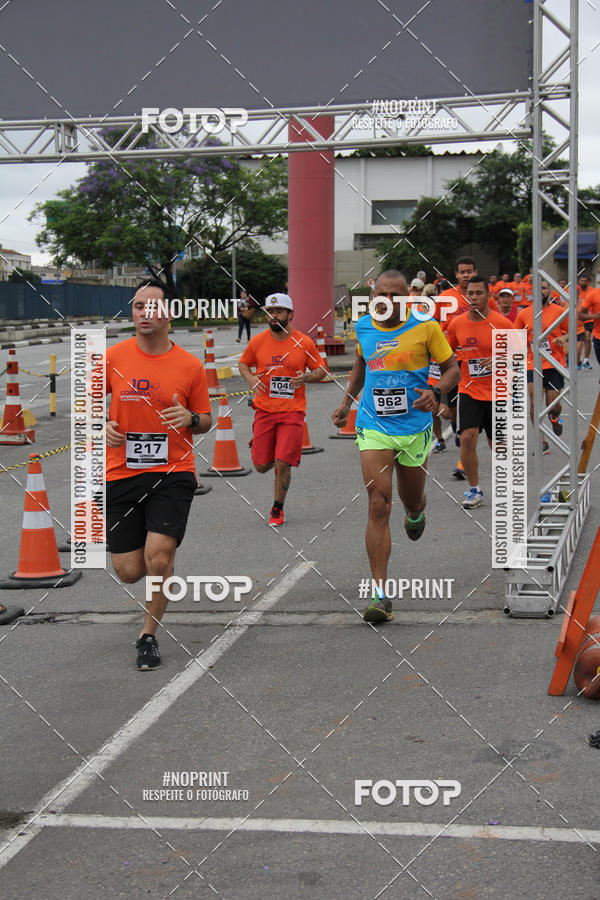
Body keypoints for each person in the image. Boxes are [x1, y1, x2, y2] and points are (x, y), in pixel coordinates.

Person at [331, 269, 460, 623]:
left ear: (408, 298)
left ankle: (416, 513)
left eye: (395, 296)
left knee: (411, 499)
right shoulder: (364, 326)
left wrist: (435, 392)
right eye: (381, 296)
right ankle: (380, 595)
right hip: (374, 424)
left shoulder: (426, 326)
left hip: (415, 427)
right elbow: (361, 364)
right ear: (373, 297)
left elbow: (452, 368)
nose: (387, 302)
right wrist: (346, 403)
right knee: (377, 502)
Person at [105, 281, 212, 670]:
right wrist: (102, 424)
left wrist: (190, 418)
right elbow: (85, 406)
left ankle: (147, 635)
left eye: (152, 306)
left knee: (159, 556)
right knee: (130, 571)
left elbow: (205, 420)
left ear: (169, 312)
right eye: (137, 306)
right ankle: (150, 565)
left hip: (173, 471)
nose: (144, 313)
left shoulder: (189, 365)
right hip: (121, 472)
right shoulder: (112, 357)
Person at [238, 293, 326, 526]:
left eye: (278, 311)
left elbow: (321, 370)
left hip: (292, 411)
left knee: (282, 462)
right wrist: (250, 378)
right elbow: (243, 363)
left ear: (290, 314)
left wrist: (306, 377)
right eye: (270, 312)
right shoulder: (258, 342)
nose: (273, 315)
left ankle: (277, 508)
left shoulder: (303, 342)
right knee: (260, 465)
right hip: (265, 410)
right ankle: (270, 452)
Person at [445, 276, 514, 508]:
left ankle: (507, 486)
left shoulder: (502, 323)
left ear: (488, 296)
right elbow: (446, 355)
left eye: (478, 293)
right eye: (470, 293)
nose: (473, 297)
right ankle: (474, 490)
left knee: (499, 445)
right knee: (467, 437)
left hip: (498, 391)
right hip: (469, 390)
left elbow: (520, 355)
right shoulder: (457, 324)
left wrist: (498, 359)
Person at [438, 256, 496, 480]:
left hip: (478, 368)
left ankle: (463, 460)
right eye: (462, 272)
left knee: (472, 431)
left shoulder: (484, 299)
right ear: (456, 274)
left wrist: (495, 356)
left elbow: (493, 328)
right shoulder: (444, 298)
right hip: (453, 364)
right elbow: (433, 324)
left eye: (469, 271)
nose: (466, 276)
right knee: (452, 413)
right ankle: (459, 431)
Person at [515, 279, 568, 453]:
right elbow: (516, 337)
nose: (541, 291)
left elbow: (573, 332)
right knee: (534, 402)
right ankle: (541, 440)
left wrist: (563, 339)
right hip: (532, 363)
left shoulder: (560, 312)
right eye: (538, 288)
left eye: (544, 288)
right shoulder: (524, 314)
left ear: (549, 291)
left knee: (553, 405)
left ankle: (554, 417)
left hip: (554, 363)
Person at [577, 276, 594, 368]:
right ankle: (577, 360)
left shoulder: (592, 291)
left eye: (585, 281)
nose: (583, 283)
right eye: (581, 281)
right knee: (577, 341)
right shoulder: (576, 290)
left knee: (587, 338)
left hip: (588, 318)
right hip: (577, 319)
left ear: (589, 282)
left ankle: (586, 360)